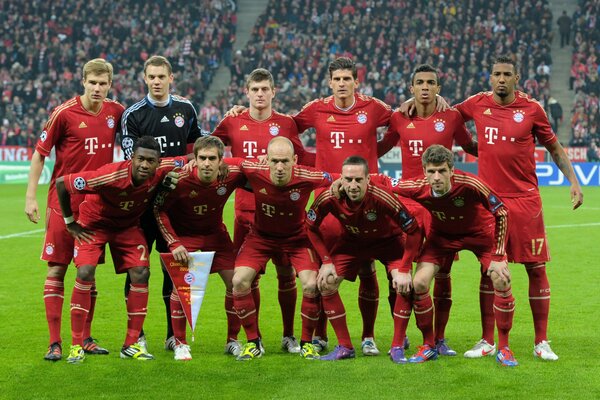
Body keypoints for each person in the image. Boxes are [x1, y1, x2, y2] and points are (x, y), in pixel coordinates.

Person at [228, 57, 395, 354]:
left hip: (364, 196)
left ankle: (368, 336)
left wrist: (372, 155)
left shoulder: (375, 107)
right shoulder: (316, 109)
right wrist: (247, 113)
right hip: (326, 199)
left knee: (368, 266)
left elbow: (400, 126)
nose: (342, 83)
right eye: (337, 79)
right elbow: (288, 127)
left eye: (348, 79)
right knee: (319, 269)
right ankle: (317, 335)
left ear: (357, 81)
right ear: (329, 82)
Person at [455, 55, 584, 361]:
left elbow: (554, 147)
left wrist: (574, 181)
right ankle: (487, 340)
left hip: (526, 201)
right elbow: (448, 117)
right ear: (490, 77)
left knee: (536, 268)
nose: (501, 79)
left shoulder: (532, 108)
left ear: (516, 78)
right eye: (496, 74)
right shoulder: (476, 103)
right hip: (489, 201)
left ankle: (542, 341)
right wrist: (470, 145)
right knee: (488, 271)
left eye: (506, 74)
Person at [24, 58, 124, 361]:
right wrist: (31, 197)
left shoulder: (116, 112)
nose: (97, 88)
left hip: (96, 206)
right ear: (83, 81)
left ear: (109, 84)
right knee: (57, 268)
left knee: (88, 272)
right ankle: (54, 342)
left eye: (102, 83)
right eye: (92, 83)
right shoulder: (64, 114)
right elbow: (39, 155)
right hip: (61, 203)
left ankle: (85, 338)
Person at [383, 145, 517, 366]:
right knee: (419, 283)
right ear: (424, 171)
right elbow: (383, 182)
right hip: (441, 238)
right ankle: (429, 345)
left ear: (452, 170)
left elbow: (501, 211)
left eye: (442, 171)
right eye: (432, 171)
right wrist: (340, 180)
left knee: (501, 278)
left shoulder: (470, 184)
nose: (437, 177)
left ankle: (503, 348)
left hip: (480, 235)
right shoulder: (416, 186)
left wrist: (498, 254)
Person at [377, 64, 478, 356]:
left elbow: (469, 144)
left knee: (443, 275)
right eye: (419, 82)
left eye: (430, 82)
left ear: (437, 88)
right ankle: (401, 337)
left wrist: (505, 153)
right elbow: (380, 149)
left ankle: (439, 338)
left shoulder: (451, 116)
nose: (424, 86)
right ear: (411, 89)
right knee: (398, 272)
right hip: (407, 205)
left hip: (439, 207)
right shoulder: (399, 117)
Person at [55, 136, 185, 363]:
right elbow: (62, 184)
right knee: (85, 272)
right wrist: (69, 222)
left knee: (141, 272)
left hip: (126, 227)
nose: (145, 165)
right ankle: (76, 345)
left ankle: (131, 344)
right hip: (94, 224)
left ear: (158, 162)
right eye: (140, 159)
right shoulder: (108, 175)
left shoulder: (165, 168)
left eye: (150, 161)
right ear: (132, 158)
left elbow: (191, 158)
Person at [213, 68, 315, 354]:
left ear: (273, 92)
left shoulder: (286, 124)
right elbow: (210, 145)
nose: (259, 94)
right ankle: (240, 338)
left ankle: (288, 335)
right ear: (246, 92)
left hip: (282, 211)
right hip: (245, 209)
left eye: (264, 89)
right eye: (254, 89)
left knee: (286, 275)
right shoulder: (233, 121)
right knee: (245, 278)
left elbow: (302, 159)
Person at [121, 55, 202, 352]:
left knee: (174, 270)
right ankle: (136, 334)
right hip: (142, 205)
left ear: (171, 78)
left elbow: (198, 146)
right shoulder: (133, 115)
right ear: (144, 78)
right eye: (151, 76)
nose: (156, 81)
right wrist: (177, 162)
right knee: (138, 270)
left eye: (161, 76)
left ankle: (173, 334)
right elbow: (136, 163)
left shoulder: (185, 108)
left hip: (175, 204)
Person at [306, 156, 420, 362]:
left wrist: (404, 269)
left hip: (388, 243)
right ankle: (345, 347)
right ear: (340, 179)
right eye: (348, 179)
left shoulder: (383, 197)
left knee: (403, 284)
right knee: (326, 283)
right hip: (352, 242)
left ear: (368, 179)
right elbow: (310, 226)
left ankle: (397, 346)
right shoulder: (329, 197)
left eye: (358, 180)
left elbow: (413, 230)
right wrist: (327, 261)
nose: (353, 185)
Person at [232, 137, 332, 361]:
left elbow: (340, 179)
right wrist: (189, 163)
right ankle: (253, 342)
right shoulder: (253, 169)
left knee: (311, 284)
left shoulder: (308, 176)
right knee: (239, 281)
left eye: (285, 161)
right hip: (261, 237)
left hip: (297, 239)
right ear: (266, 160)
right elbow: (227, 162)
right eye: (274, 161)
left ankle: (306, 343)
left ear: (295, 160)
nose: (279, 167)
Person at [154, 136, 246, 360]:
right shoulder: (180, 179)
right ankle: (180, 343)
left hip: (216, 234)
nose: (206, 163)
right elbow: (158, 209)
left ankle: (232, 341)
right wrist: (174, 242)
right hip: (186, 237)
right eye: (202, 158)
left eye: (212, 158)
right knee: (182, 289)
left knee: (236, 283)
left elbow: (254, 165)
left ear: (220, 161)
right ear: (194, 159)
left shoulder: (231, 173)